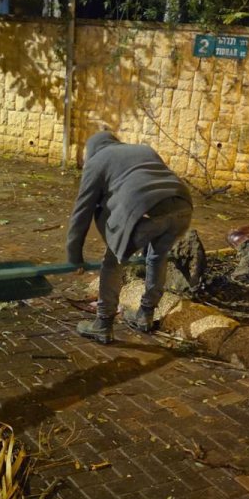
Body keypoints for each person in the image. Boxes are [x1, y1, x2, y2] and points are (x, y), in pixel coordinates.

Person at [66, 130, 193, 344]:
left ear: (92, 150)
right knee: (157, 257)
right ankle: (145, 314)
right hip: (182, 204)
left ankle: (103, 323)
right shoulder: (143, 149)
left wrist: (74, 257)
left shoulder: (96, 161)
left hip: (144, 210)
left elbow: (82, 211)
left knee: (113, 261)